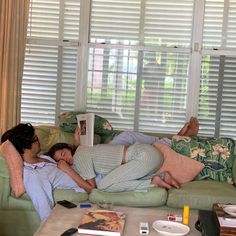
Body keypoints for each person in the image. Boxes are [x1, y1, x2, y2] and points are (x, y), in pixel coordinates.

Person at [47, 117, 199, 192]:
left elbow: (91, 188)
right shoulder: (83, 152)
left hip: (144, 156)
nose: (65, 159)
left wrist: (67, 169)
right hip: (146, 156)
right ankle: (162, 176)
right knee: (115, 178)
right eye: (61, 160)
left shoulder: (80, 156)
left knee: (105, 186)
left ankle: (154, 181)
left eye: (63, 153)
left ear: (69, 147)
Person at [0, 123, 100, 222]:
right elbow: (44, 211)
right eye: (35, 139)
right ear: (24, 148)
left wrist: (77, 144)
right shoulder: (32, 175)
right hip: (97, 179)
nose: (38, 140)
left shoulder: (43, 157)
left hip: (93, 167)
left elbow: (68, 158)